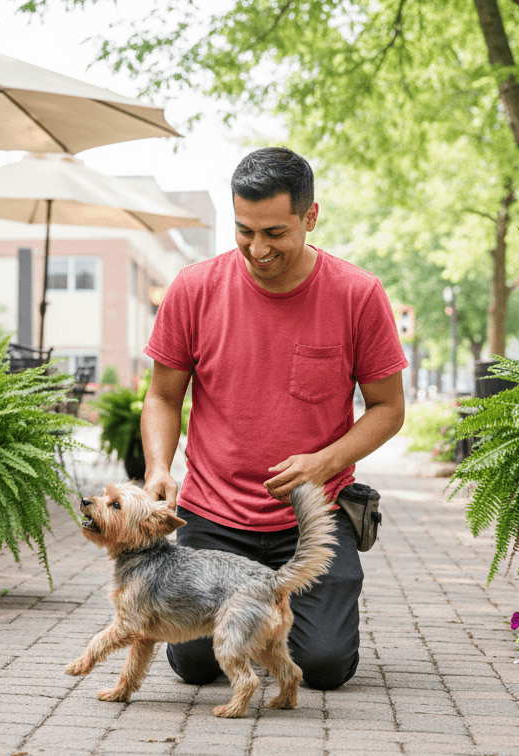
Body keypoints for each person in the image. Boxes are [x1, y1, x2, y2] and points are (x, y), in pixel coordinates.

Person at [141, 146, 407, 691]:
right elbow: (163, 396)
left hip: (311, 520)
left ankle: (266, 631)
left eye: (275, 233)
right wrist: (158, 468)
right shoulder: (194, 289)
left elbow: (389, 409)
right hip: (213, 520)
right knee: (193, 666)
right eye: (245, 231)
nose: (257, 249)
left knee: (326, 667)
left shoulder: (357, 294)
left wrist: (326, 462)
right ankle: (248, 631)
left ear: (310, 217)